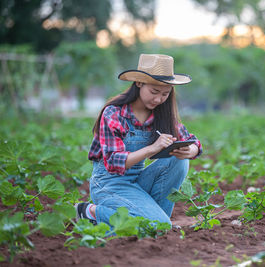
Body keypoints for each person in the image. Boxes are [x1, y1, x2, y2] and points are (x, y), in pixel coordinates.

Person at [75, 54, 202, 227]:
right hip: (109, 184)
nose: (158, 99)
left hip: (137, 183)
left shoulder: (161, 115)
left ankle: (157, 223)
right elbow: (113, 162)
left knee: (179, 162)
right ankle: (90, 212)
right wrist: (152, 148)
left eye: (165, 94)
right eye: (154, 92)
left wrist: (191, 150)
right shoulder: (114, 114)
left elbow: (192, 141)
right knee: (157, 225)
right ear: (139, 83)